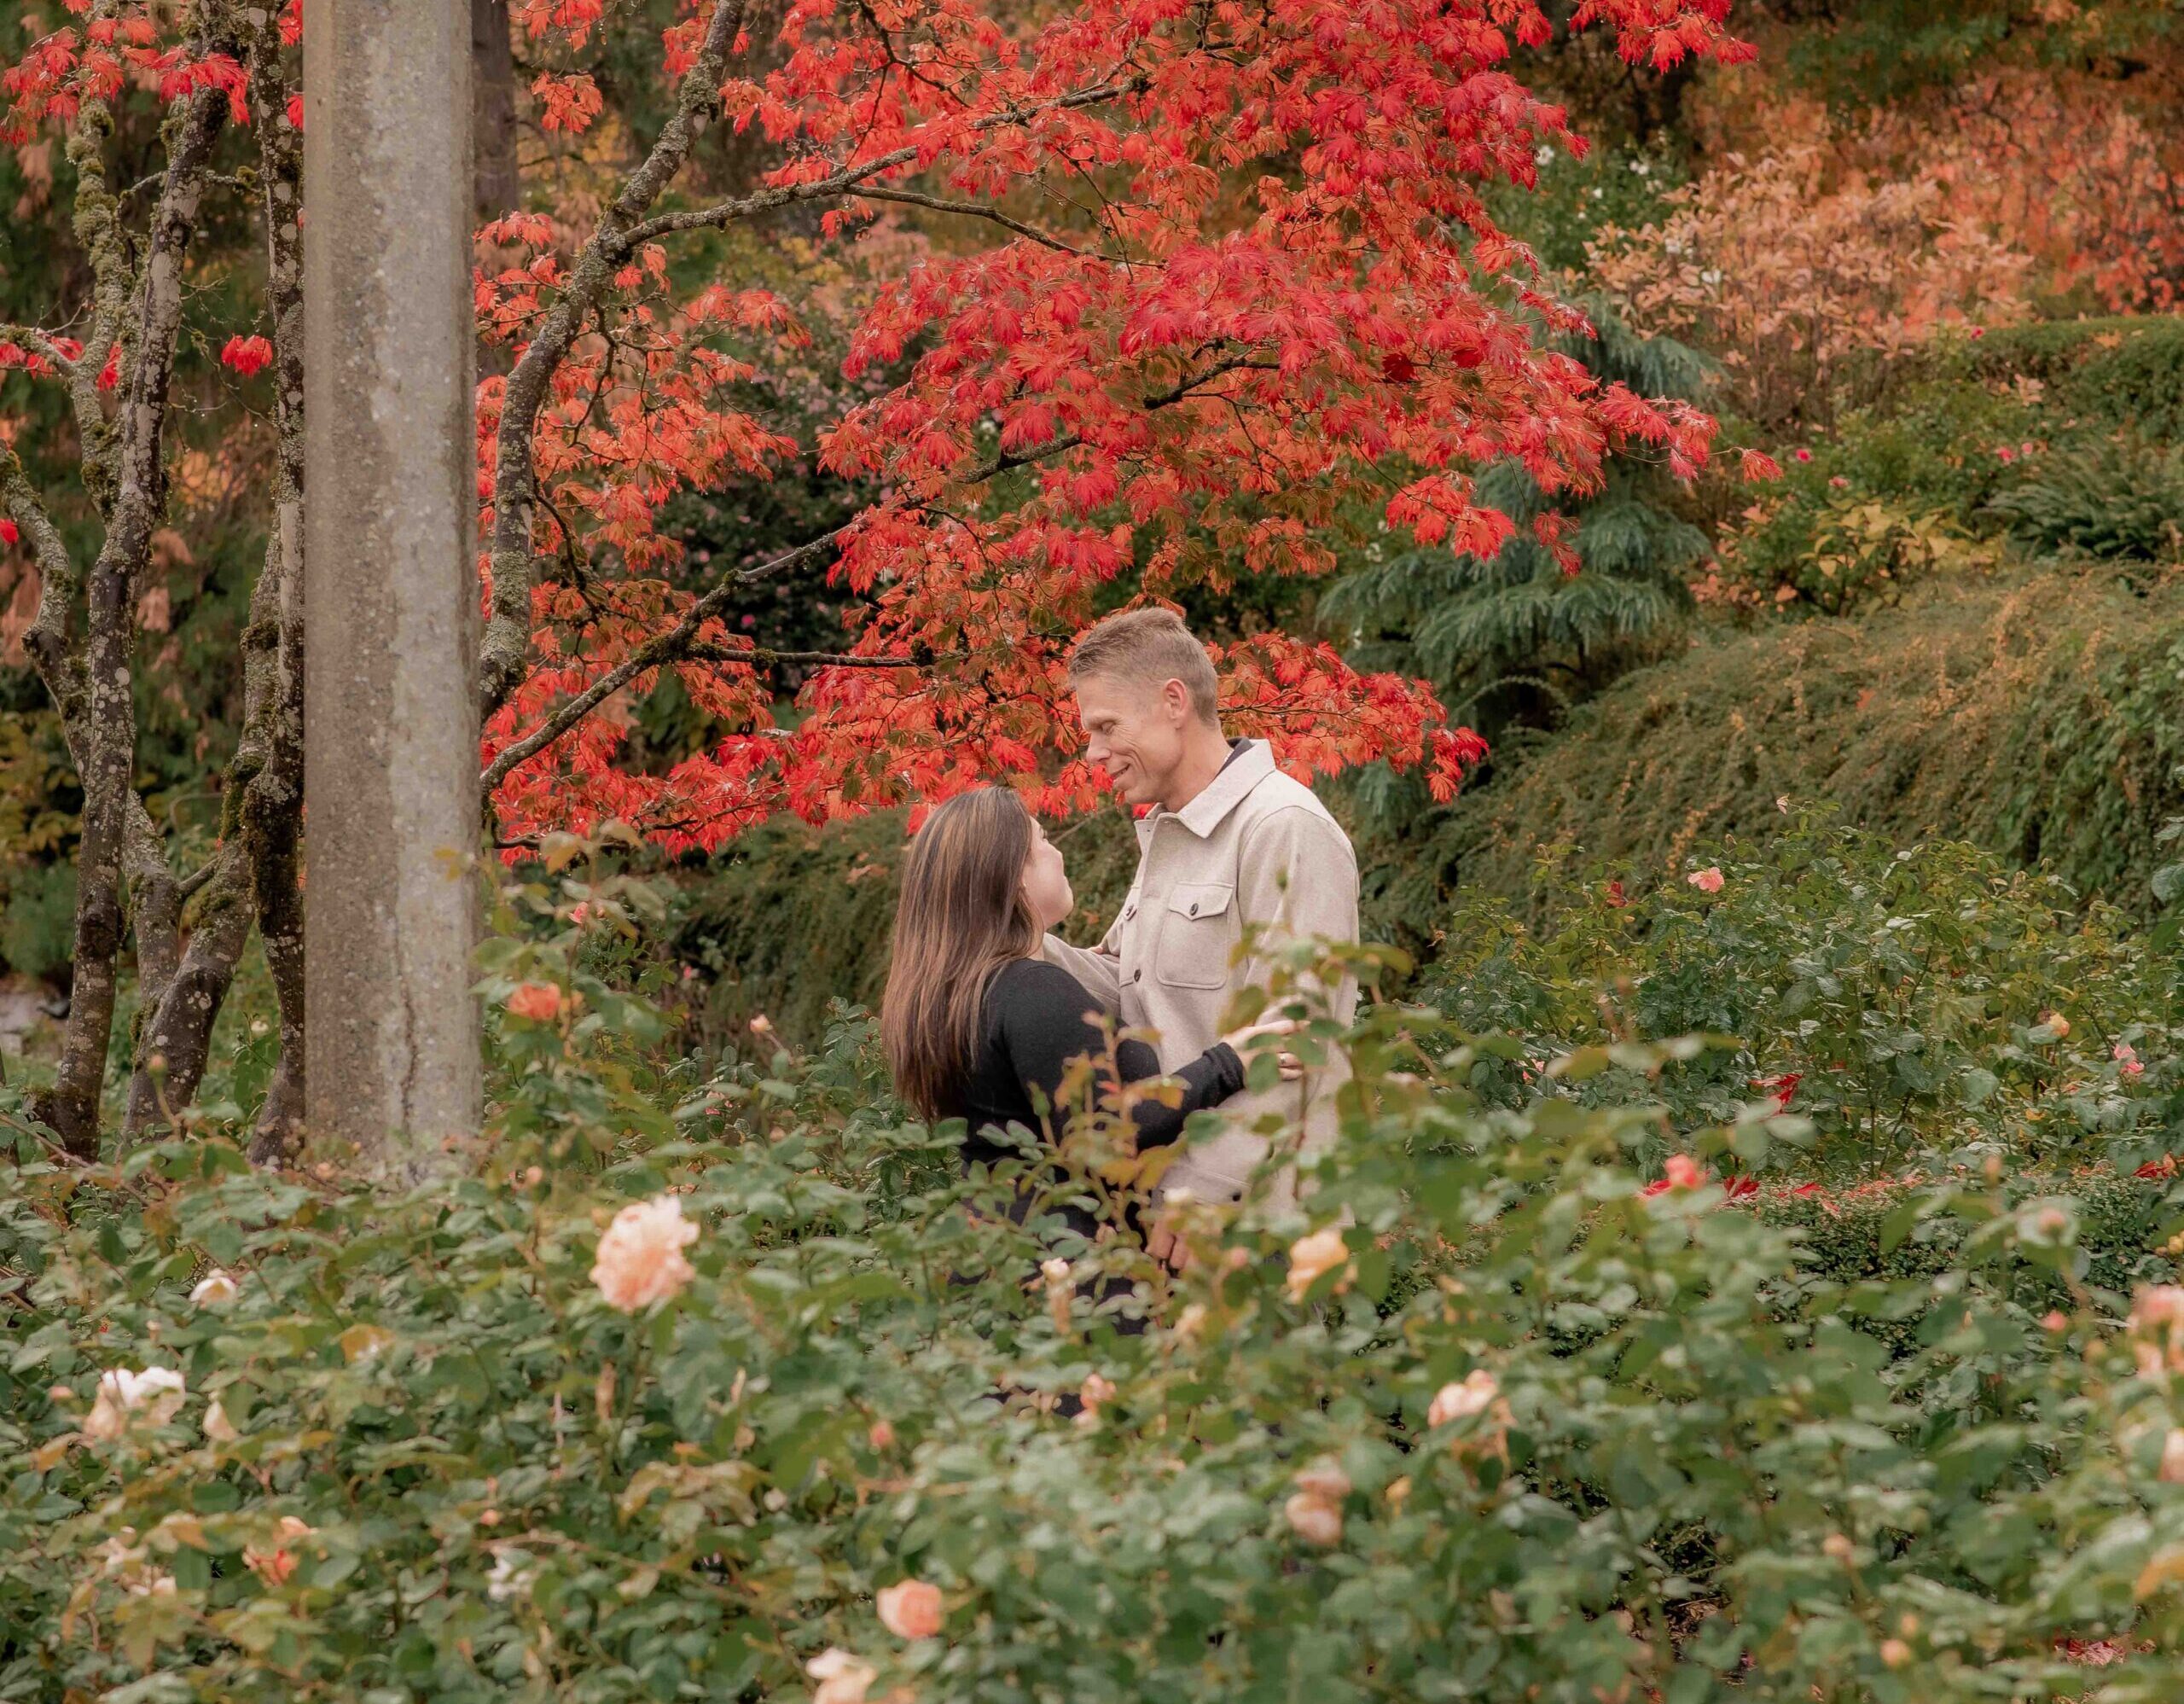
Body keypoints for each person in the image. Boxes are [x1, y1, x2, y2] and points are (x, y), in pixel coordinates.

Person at [1041, 608, 1360, 1211]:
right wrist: (1010, 938)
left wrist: (1204, 1195)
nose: (1093, 752)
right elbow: (1129, 989)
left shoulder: (1283, 827)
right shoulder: (1173, 830)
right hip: (1164, 1205)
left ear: (1173, 702)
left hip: (1254, 1221)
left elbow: (1294, 1043)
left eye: (1106, 726)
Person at [880, 786, 1296, 1242]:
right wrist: (1226, 1064)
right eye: (1043, 839)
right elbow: (1102, 1137)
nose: (1057, 852)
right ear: (1014, 876)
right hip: (1061, 1253)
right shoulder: (1033, 990)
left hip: (998, 1243)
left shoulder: (963, 992)